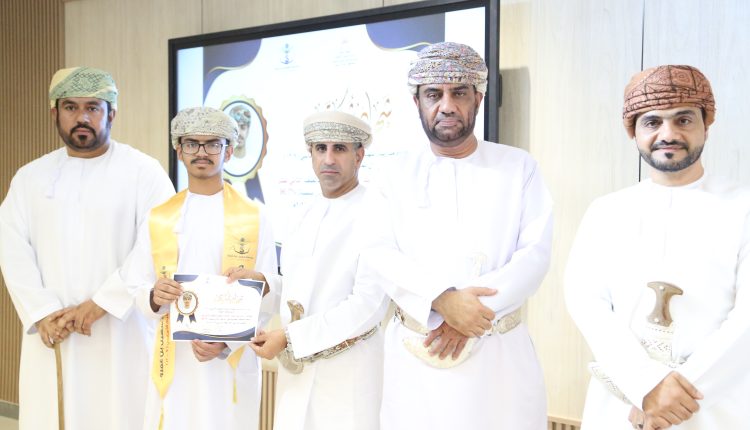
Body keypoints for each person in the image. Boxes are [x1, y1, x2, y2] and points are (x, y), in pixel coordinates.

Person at [363, 42, 553, 429]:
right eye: (434, 94)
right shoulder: (392, 176)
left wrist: (468, 314)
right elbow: (379, 252)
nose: (446, 106)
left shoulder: (518, 167)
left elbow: (534, 255)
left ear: (478, 98)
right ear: (417, 102)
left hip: (499, 358)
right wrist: (442, 300)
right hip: (417, 359)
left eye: (459, 93)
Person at [565, 65, 750, 429]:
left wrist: (668, 397)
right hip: (622, 401)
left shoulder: (743, 207)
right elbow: (586, 302)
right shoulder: (606, 211)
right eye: (652, 122)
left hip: (715, 404)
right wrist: (643, 385)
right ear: (633, 131)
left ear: (706, 125)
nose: (669, 134)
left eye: (684, 120)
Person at [0, 67, 175, 429]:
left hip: (119, 332)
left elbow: (159, 242)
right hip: (53, 331)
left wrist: (103, 302)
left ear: (112, 113)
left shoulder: (145, 172)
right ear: (55, 113)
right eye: (71, 107)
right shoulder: (30, 177)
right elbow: (10, 245)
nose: (82, 117)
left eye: (93, 107)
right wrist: (42, 311)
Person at [116, 106, 278, 430]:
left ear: (228, 151)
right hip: (175, 358)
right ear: (179, 151)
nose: (202, 152)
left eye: (213, 144)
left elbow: (268, 286)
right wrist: (154, 296)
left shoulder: (254, 216)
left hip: (229, 361)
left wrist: (227, 342)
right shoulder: (159, 217)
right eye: (192, 144)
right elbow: (136, 284)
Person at [244, 110, 388, 430]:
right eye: (320, 148)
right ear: (310, 154)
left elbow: (368, 305)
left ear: (359, 155)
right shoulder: (305, 213)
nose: (329, 159)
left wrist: (290, 337)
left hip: (348, 375)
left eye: (340, 149)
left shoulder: (377, 212)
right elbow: (302, 289)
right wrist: (265, 285)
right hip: (297, 377)